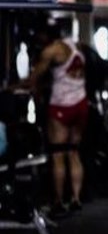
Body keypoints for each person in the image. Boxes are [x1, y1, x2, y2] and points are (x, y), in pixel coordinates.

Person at [22, 21, 89, 215]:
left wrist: (14, 87)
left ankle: (58, 201)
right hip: (81, 103)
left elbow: (32, 80)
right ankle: (76, 198)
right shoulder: (76, 46)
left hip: (61, 106)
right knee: (74, 152)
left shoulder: (51, 51)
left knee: (58, 154)